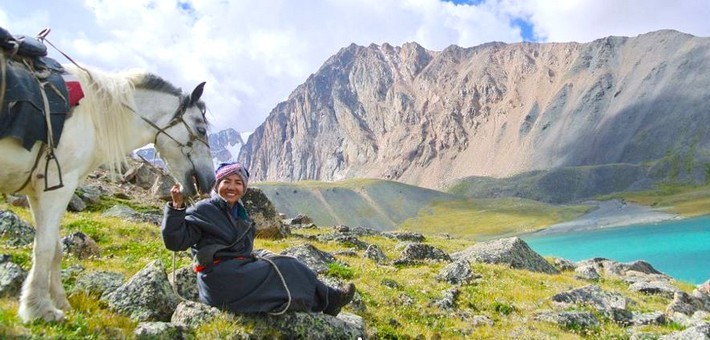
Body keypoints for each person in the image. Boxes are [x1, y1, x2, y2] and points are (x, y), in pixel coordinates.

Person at [161, 162, 355, 315]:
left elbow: (242, 250)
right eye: (226, 181)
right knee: (286, 268)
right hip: (220, 280)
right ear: (217, 185)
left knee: (287, 263)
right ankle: (330, 299)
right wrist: (177, 208)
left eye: (238, 183)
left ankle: (328, 301)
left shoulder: (240, 213)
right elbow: (175, 241)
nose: (232, 187)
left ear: (244, 188)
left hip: (237, 274)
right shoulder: (204, 209)